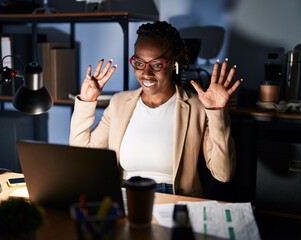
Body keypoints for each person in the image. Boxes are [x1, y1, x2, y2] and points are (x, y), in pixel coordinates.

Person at [69, 21, 242, 197]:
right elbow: (81, 153)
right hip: (126, 194)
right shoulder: (119, 103)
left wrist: (217, 112)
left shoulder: (197, 107)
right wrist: (86, 101)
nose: (146, 73)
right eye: (139, 63)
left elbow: (223, 174)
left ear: (174, 62)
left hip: (174, 200)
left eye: (157, 65)